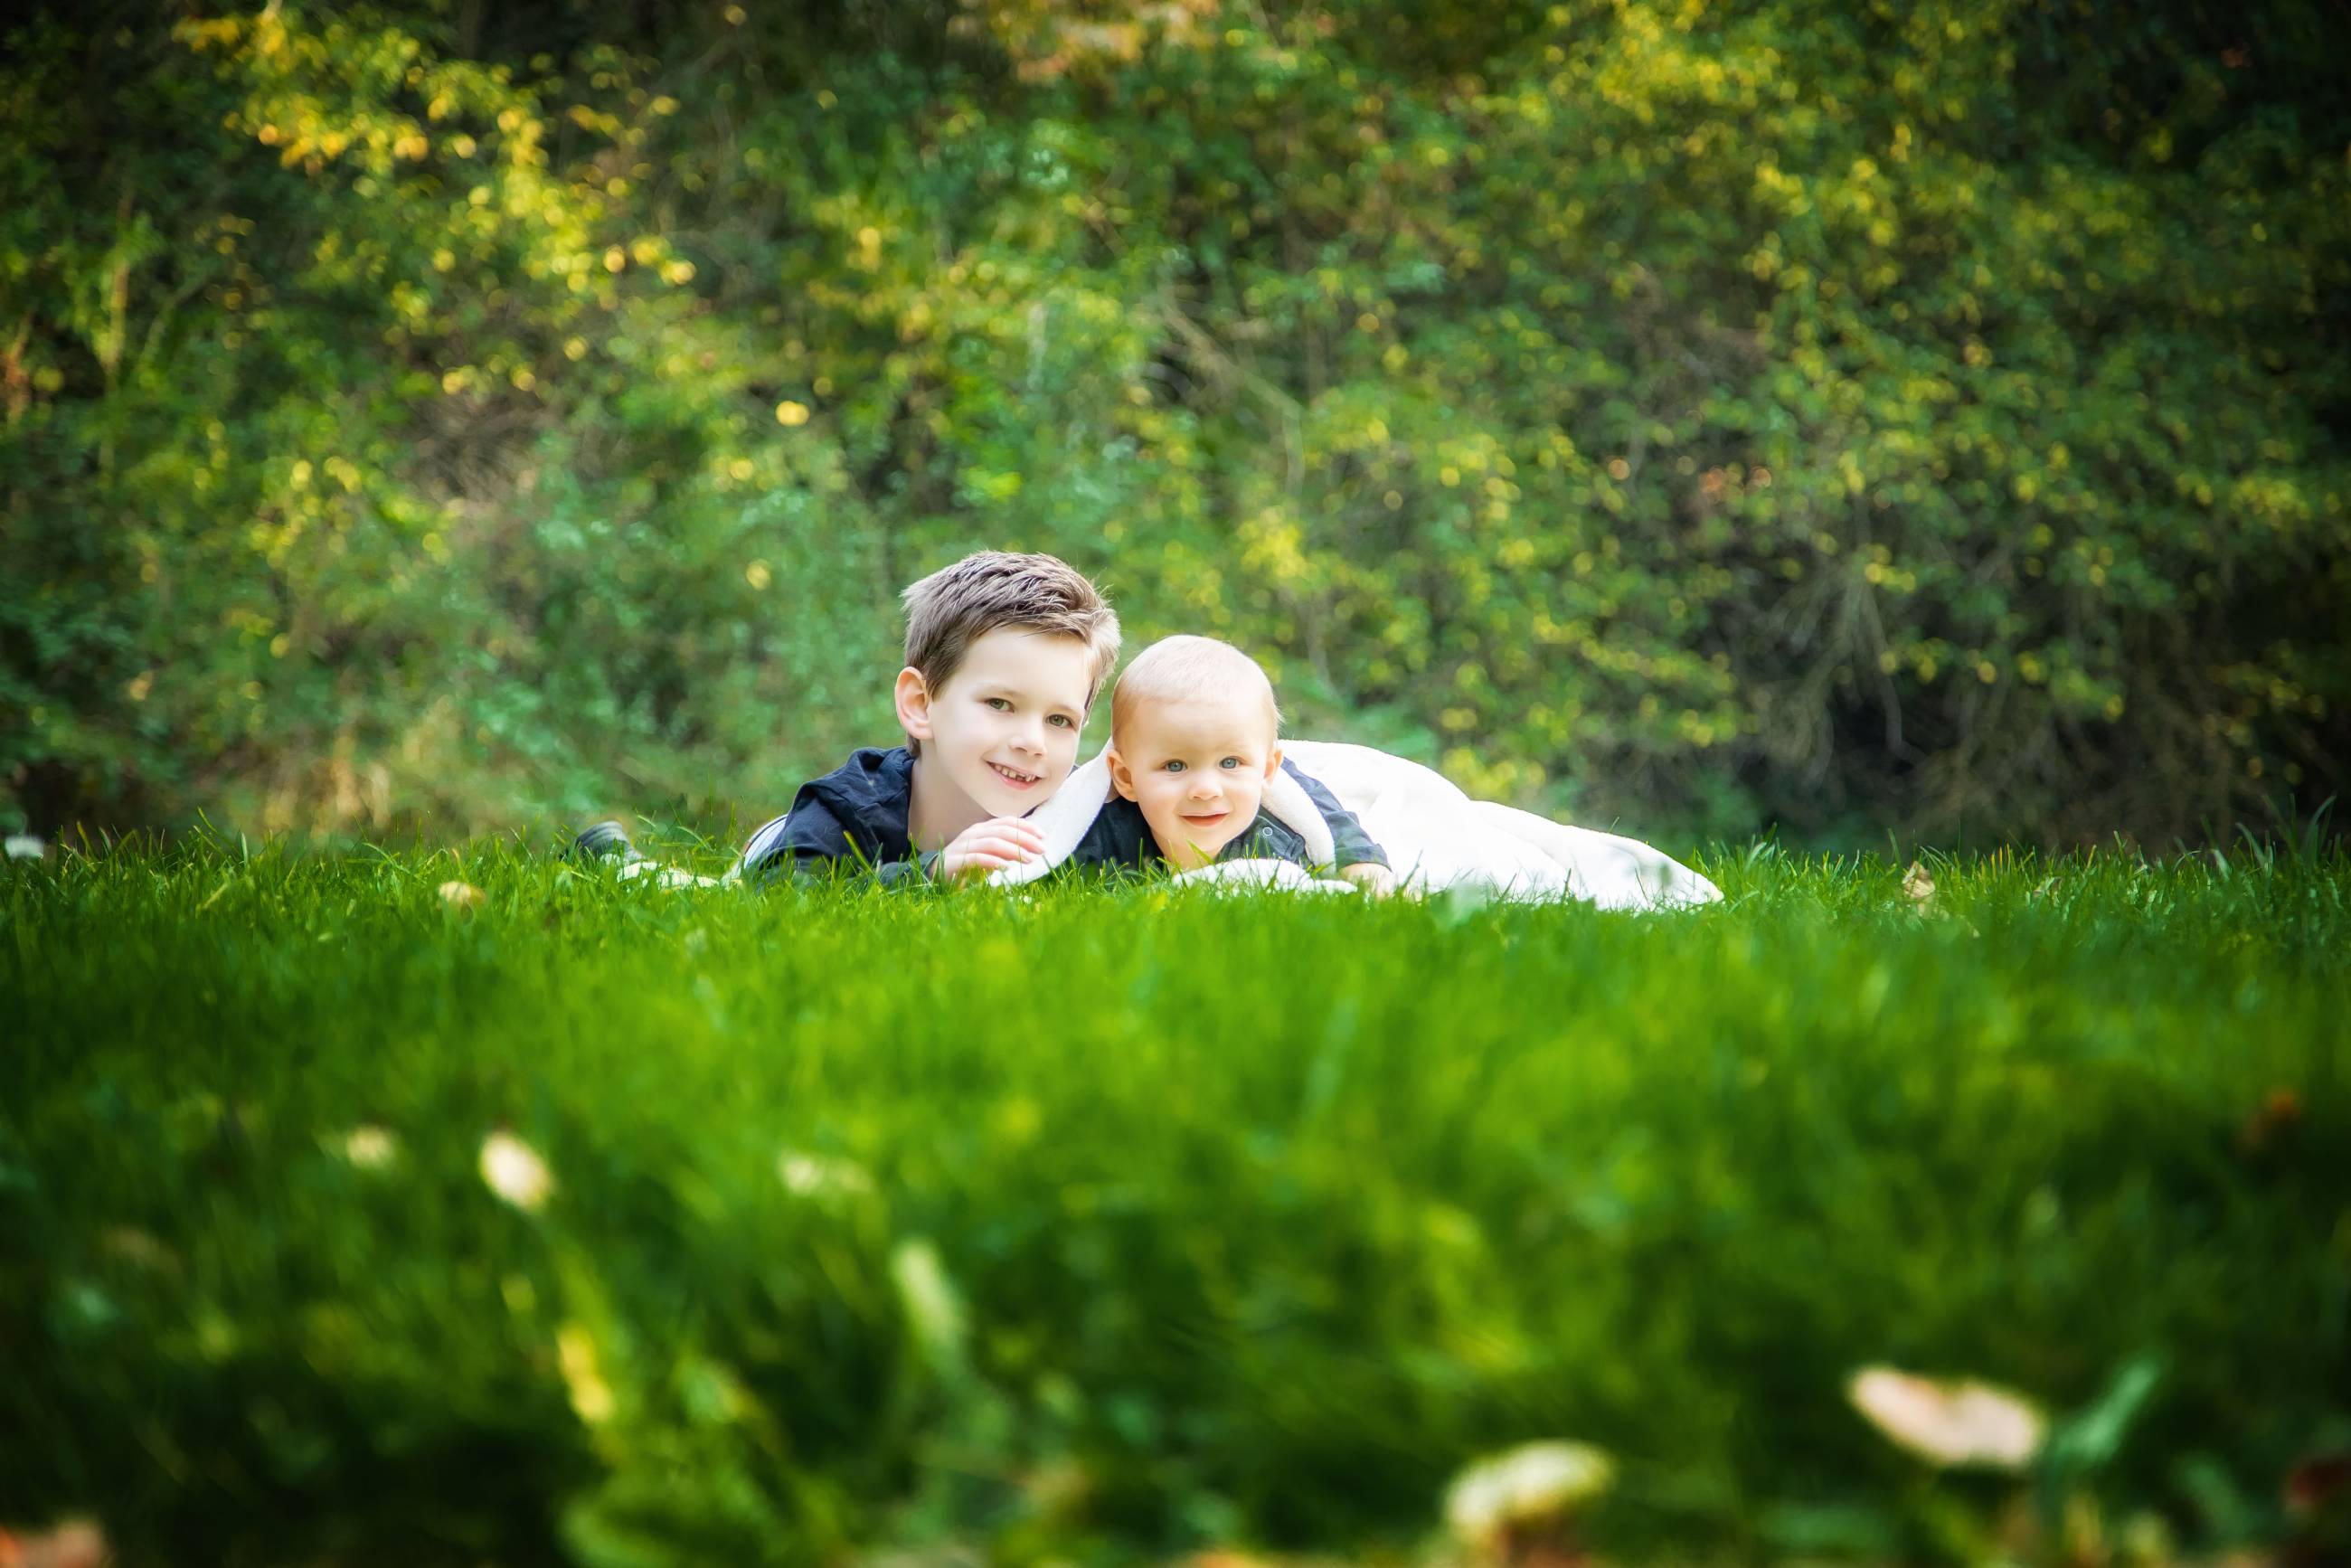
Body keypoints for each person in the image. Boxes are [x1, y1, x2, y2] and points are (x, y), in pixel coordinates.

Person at [578, 549, 1119, 884]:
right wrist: (933, 872)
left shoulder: (1077, 812)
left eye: (1060, 721)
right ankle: (612, 858)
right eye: (1000, 704)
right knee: (708, 895)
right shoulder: (850, 803)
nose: (1031, 742)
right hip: (784, 848)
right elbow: (793, 891)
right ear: (920, 704)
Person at [1064, 635, 1398, 893]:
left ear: (1267, 771)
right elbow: (1045, 846)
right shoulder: (1103, 838)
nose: (1207, 790)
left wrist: (1364, 865)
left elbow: (1328, 819)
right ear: (1126, 777)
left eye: (1229, 762)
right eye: (1175, 766)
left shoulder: (1279, 836)